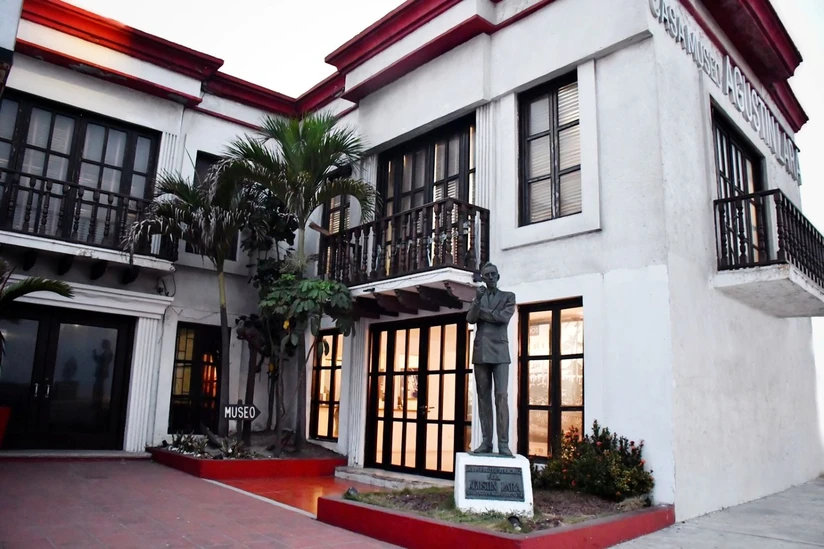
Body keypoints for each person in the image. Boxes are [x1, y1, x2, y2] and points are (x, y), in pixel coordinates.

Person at [467, 262, 516, 456]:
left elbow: (503, 318)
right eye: (487, 275)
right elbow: (470, 319)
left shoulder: (508, 296)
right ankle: (487, 442)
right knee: (483, 398)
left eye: (493, 274)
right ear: (483, 278)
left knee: (501, 397)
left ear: (498, 276)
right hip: (481, 352)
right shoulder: (478, 298)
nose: (491, 277)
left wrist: (484, 314)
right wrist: (477, 303)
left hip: (500, 352)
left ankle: (503, 444)